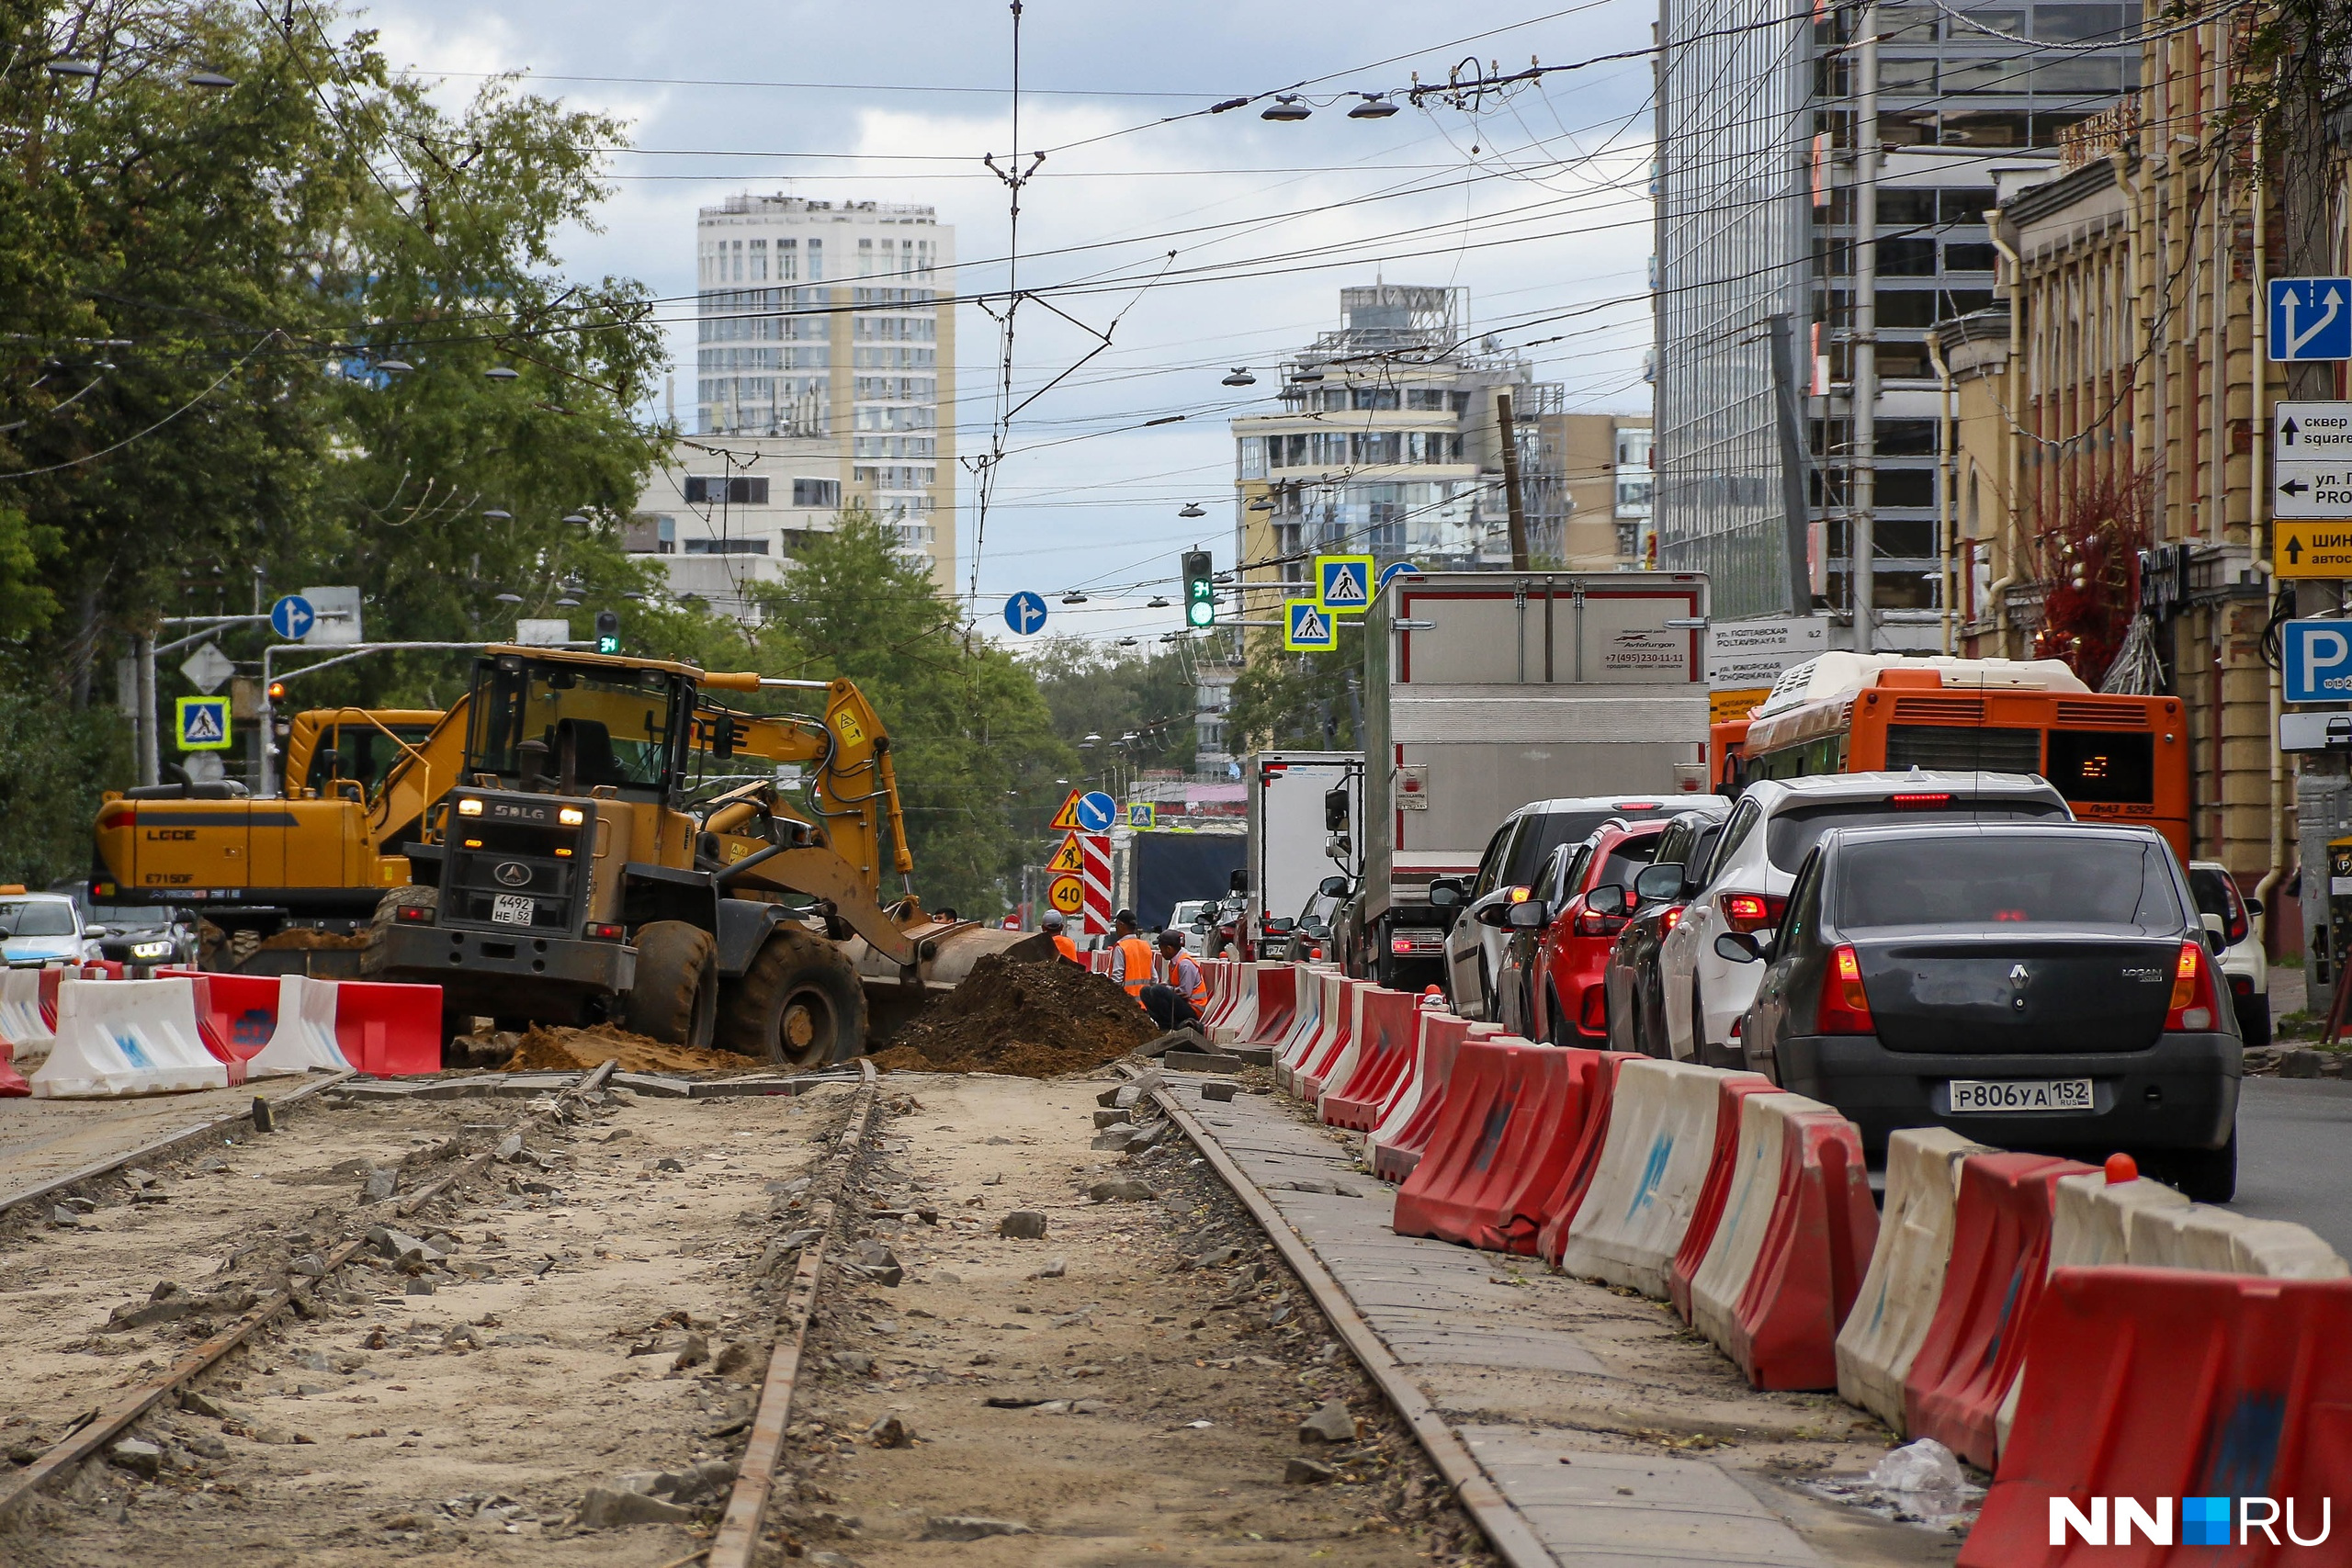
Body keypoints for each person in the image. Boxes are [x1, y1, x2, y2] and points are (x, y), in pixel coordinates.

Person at [1139, 927, 1208, 1032]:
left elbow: (1185, 992)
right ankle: (1164, 1024)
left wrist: (1166, 988)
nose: (1160, 952)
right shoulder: (1173, 963)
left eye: (1161, 948)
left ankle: (1173, 1025)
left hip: (1193, 1009)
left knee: (1157, 990)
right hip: (1182, 1004)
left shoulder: (1185, 964)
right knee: (1145, 991)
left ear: (1169, 949)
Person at [1108, 909, 1156, 999]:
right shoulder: (1145, 946)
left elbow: (1116, 979)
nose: (1116, 928)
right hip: (1145, 1004)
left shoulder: (1121, 947)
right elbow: (1154, 978)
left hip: (1128, 1004)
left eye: (1116, 925)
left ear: (1121, 925)